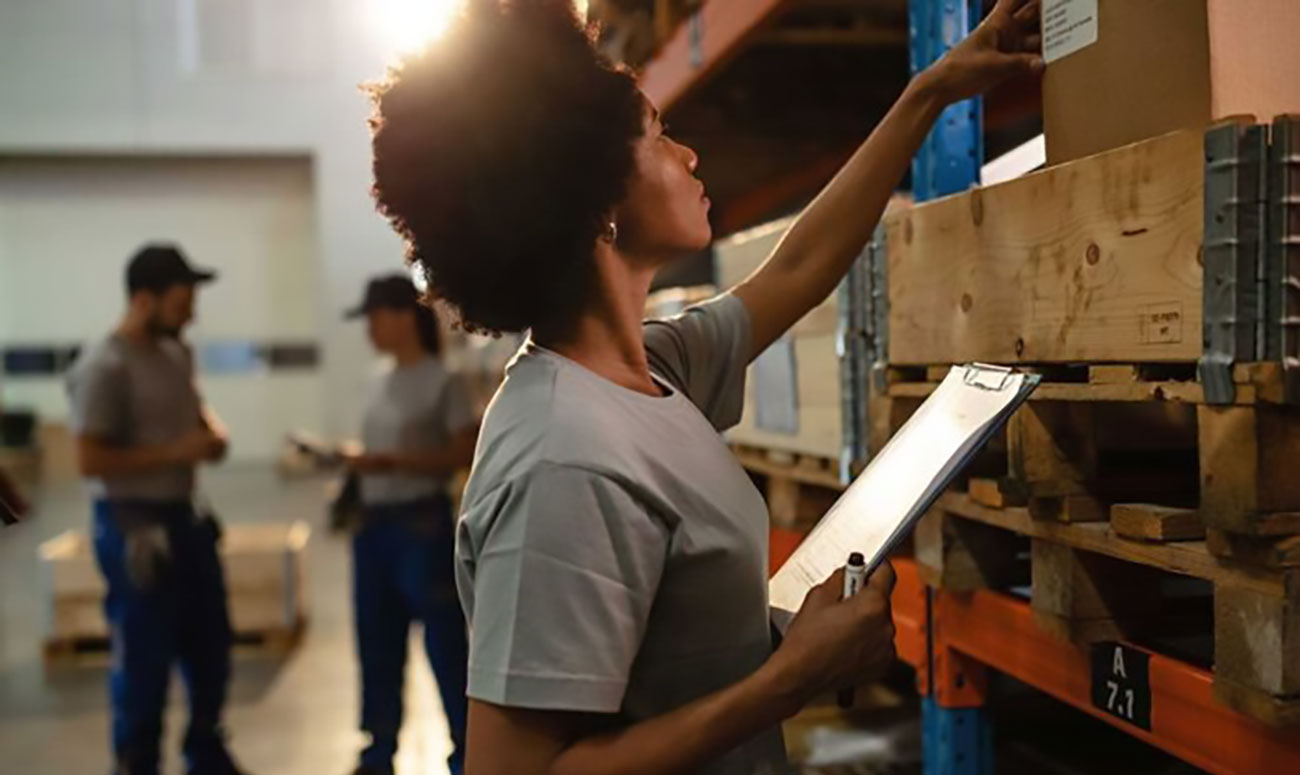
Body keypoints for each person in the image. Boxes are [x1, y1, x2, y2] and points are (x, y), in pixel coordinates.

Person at [366, 1, 1042, 772]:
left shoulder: (651, 370)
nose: (689, 156)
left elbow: (799, 267)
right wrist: (791, 679)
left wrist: (932, 89)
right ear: (598, 201)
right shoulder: (565, 460)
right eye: (660, 134)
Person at [66, 244, 248, 775]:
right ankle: (137, 761)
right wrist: (177, 451)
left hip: (186, 519)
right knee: (145, 657)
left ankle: (206, 752)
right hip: (134, 528)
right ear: (144, 300)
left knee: (211, 644)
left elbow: (195, 410)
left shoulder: (175, 353)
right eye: (181, 301)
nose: (190, 313)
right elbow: (88, 458)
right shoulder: (105, 366)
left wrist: (212, 433)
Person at [342, 274, 478, 775]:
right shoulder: (375, 379)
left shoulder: (443, 380)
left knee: (444, 646)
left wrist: (395, 463)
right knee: (376, 644)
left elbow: (464, 450)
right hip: (374, 526)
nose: (370, 330)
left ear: (402, 316)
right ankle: (378, 752)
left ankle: (467, 751)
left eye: (375, 318)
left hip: (420, 526)